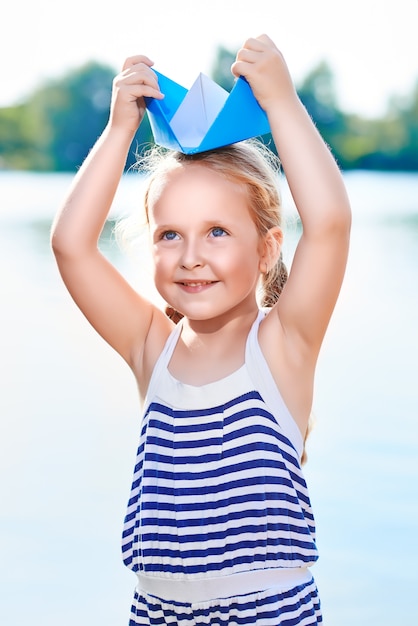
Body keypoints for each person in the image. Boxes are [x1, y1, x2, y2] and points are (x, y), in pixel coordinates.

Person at [51, 34, 351, 625]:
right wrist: (118, 132)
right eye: (171, 235)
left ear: (266, 250)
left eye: (217, 232)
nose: (191, 256)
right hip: (156, 612)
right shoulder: (151, 349)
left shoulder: (281, 347)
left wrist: (283, 104)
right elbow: (70, 246)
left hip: (269, 612)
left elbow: (331, 223)